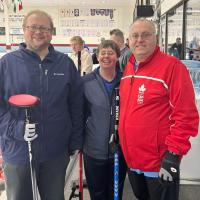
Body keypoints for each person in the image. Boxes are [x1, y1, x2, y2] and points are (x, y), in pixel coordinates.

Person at [0, 10, 84, 200]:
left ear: (51, 32)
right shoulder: (7, 64)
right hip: (18, 151)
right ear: (24, 30)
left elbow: (76, 105)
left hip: (55, 152)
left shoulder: (65, 64)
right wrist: (15, 128)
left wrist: (76, 140)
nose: (39, 32)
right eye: (33, 27)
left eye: (44, 28)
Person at [119, 18, 199, 200]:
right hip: (133, 159)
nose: (139, 39)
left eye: (145, 35)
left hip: (159, 162)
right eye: (135, 36)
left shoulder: (173, 67)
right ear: (128, 41)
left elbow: (186, 116)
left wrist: (173, 155)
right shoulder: (129, 67)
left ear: (156, 38)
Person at [83, 40, 127, 200]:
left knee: (116, 192)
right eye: (103, 53)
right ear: (97, 56)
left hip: (120, 151)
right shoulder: (86, 82)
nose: (106, 56)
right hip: (94, 151)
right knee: (98, 194)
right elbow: (80, 115)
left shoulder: (126, 81)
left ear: (117, 56)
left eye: (110, 53)